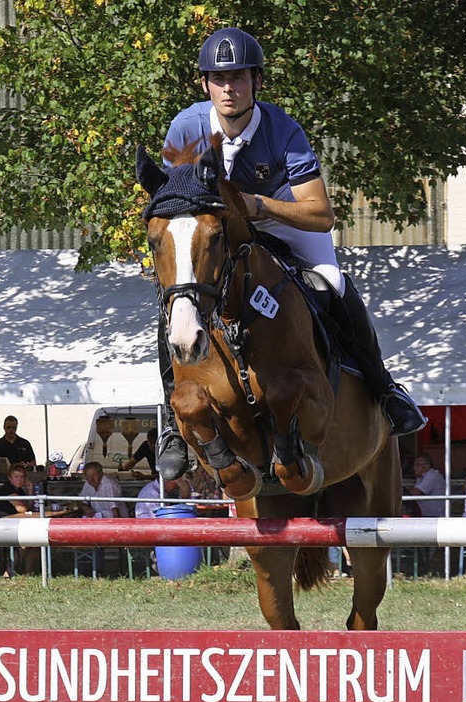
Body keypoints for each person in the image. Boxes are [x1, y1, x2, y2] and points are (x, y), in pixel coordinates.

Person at [147, 27, 427, 479]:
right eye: (218, 79)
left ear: (256, 81)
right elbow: (177, 203)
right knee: (176, 302)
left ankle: (384, 387)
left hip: (280, 218)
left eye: (238, 77)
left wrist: (259, 206)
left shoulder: (282, 129)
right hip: (219, 230)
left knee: (332, 283)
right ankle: (173, 427)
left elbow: (321, 214)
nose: (228, 88)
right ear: (205, 85)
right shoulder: (186, 127)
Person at [410, 453, 446, 517]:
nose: (414, 468)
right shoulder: (421, 477)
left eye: (417, 465)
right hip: (427, 515)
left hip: (436, 517)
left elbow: (416, 493)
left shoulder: (432, 475)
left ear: (426, 465)